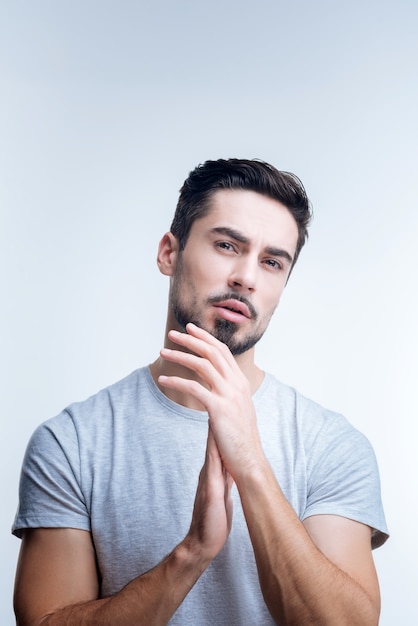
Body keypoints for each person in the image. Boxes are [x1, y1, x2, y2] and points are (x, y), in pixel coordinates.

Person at [12, 158, 388, 625]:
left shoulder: (331, 444)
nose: (246, 277)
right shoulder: (72, 441)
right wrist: (191, 554)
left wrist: (250, 466)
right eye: (227, 245)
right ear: (170, 253)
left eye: (272, 262)